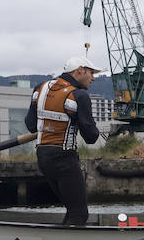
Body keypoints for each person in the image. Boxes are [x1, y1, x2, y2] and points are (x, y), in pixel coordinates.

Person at [25, 55, 103, 226]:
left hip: (43, 156)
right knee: (79, 214)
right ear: (79, 71)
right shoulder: (78, 95)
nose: (93, 77)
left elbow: (31, 125)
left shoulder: (41, 88)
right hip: (64, 157)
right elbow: (91, 137)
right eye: (91, 73)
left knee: (72, 208)